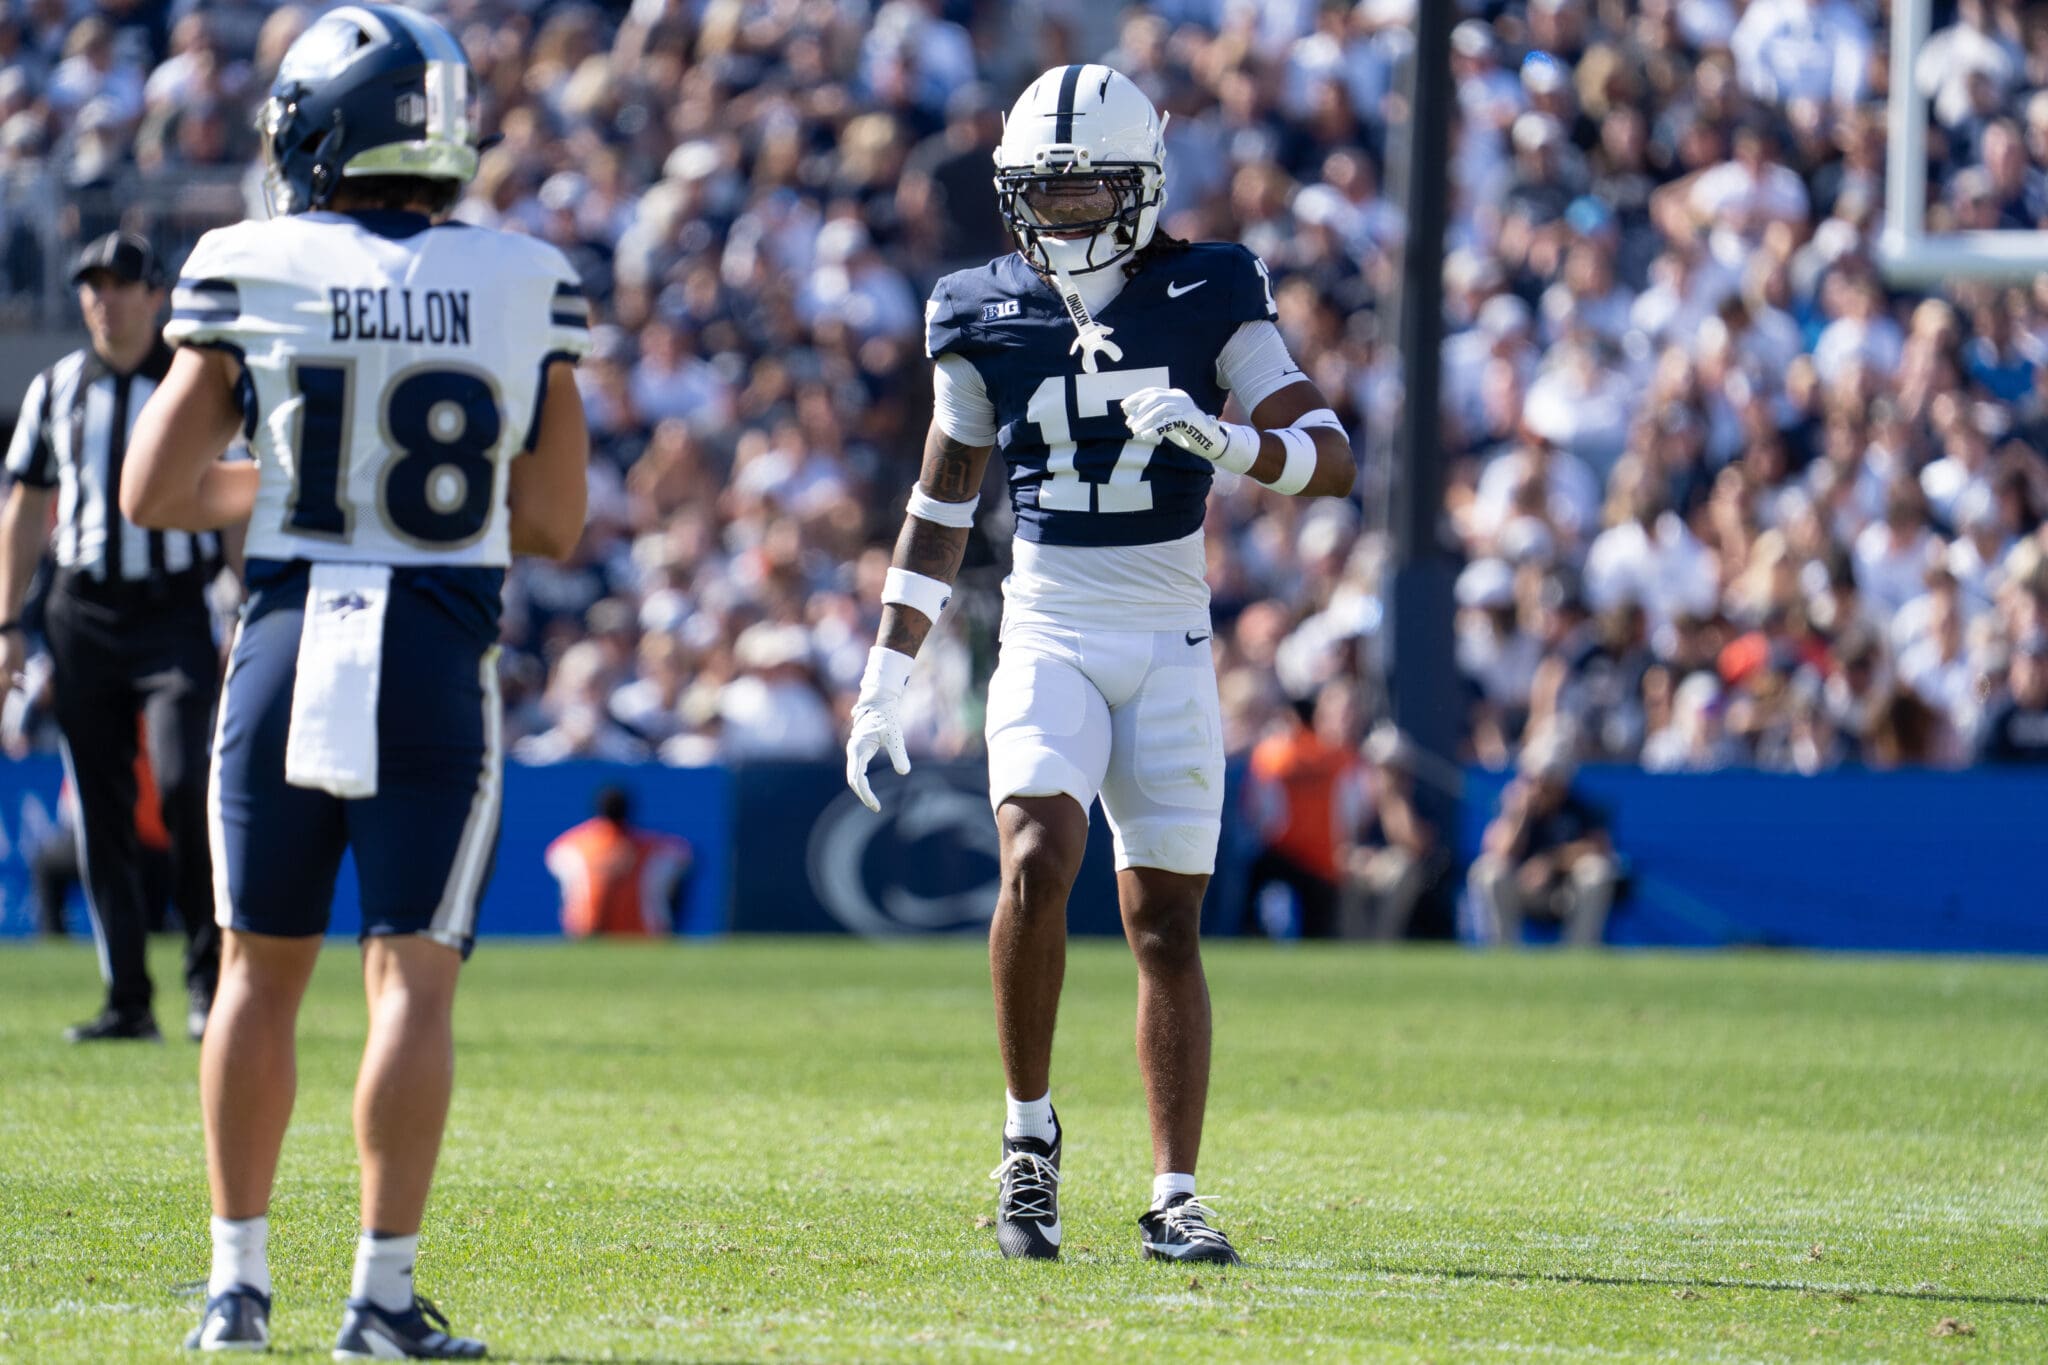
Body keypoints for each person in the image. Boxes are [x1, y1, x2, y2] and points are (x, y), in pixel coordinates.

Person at [119, 6, 591, 1356]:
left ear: (322, 131)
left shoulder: (248, 260)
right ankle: (379, 1301)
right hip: (435, 657)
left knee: (258, 979)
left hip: (282, 646)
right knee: (412, 986)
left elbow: (153, 488)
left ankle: (235, 1290)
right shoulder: (521, 275)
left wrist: (302, 482)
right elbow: (554, 520)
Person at [845, 65, 1355, 1266]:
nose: (1063, 217)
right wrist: (886, 670)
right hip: (1048, 625)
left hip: (1170, 631)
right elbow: (939, 503)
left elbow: (1328, 453)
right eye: (1044, 194)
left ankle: (1174, 1190)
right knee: (1032, 853)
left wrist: (1227, 440)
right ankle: (1029, 1142)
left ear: (1140, 187)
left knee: (1162, 921)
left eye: (1086, 193)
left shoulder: (1210, 285)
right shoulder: (978, 308)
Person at [0, 229, 223, 1043]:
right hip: (83, 612)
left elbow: (233, 498)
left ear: (157, 295)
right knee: (101, 810)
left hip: (173, 612)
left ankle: (209, 987)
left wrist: (242, 607)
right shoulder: (57, 387)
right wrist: (7, 623)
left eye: (122, 283)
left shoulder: (196, 386)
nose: (105, 297)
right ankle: (127, 996)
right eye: (92, 284)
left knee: (180, 787)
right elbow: (24, 505)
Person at [1468, 732, 1618, 947]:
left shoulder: (1580, 808)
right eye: (1533, 779)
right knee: (1487, 871)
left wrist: (1551, 862)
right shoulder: (1514, 806)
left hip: (1563, 892)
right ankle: (1501, 953)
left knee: (1597, 872)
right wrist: (1520, 816)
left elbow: (1600, 848)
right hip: (1520, 888)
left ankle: (1578, 956)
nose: (1538, 786)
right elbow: (1497, 852)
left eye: (1546, 780)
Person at [544, 786, 692, 937]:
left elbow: (554, 859)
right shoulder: (652, 847)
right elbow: (685, 856)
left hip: (586, 935)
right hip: (642, 934)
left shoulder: (572, 846)